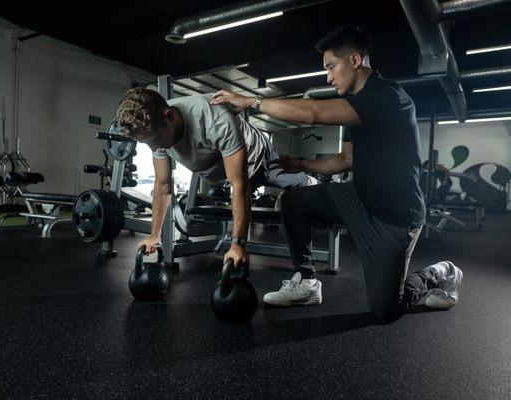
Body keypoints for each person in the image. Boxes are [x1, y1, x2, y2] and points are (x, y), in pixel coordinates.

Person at [211, 25, 463, 318]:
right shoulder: (357, 108)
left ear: (355, 60)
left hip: (395, 217)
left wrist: (251, 101)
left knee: (385, 309)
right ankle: (307, 282)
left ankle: (442, 272)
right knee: (294, 201)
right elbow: (345, 160)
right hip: (358, 199)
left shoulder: (389, 97)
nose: (328, 76)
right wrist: (301, 165)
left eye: (332, 66)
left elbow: (313, 113)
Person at [116, 88, 315, 268]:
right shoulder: (155, 128)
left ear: (169, 116)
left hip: (258, 160)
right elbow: (163, 183)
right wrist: (154, 235)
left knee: (284, 179)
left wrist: (238, 244)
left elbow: (240, 184)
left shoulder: (215, 119)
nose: (154, 148)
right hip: (222, 172)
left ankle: (306, 180)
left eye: (155, 141)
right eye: (146, 144)